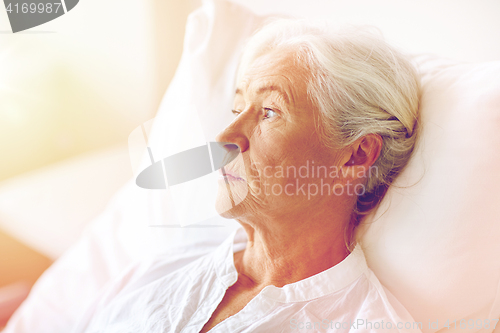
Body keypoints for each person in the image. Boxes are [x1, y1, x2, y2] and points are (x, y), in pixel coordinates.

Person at [71, 19, 421, 333]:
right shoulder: (161, 270)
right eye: (237, 109)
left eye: (269, 112)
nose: (225, 137)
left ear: (356, 155)